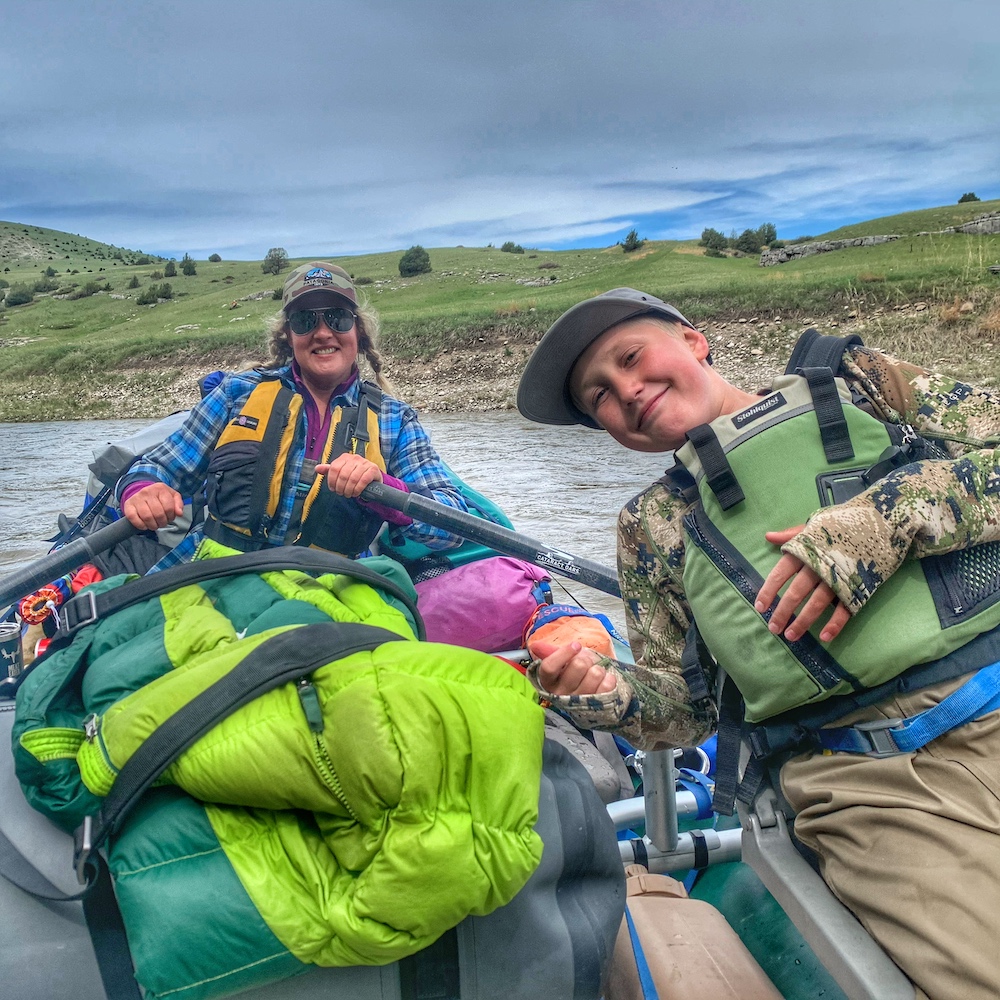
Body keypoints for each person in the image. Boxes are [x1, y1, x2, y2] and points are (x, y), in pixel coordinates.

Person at [516, 286, 1000, 1000]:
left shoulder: (865, 380)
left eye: (629, 357)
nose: (627, 391)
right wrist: (598, 692)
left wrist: (884, 520)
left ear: (693, 339)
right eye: (601, 398)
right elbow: (685, 713)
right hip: (864, 783)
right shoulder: (651, 527)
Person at [119, 262, 468, 570]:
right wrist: (144, 490)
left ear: (357, 331)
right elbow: (158, 467)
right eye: (305, 320)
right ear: (288, 335)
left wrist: (385, 490)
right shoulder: (236, 393)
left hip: (332, 584)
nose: (322, 332)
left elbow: (453, 524)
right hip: (218, 570)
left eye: (337, 317)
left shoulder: (395, 420)